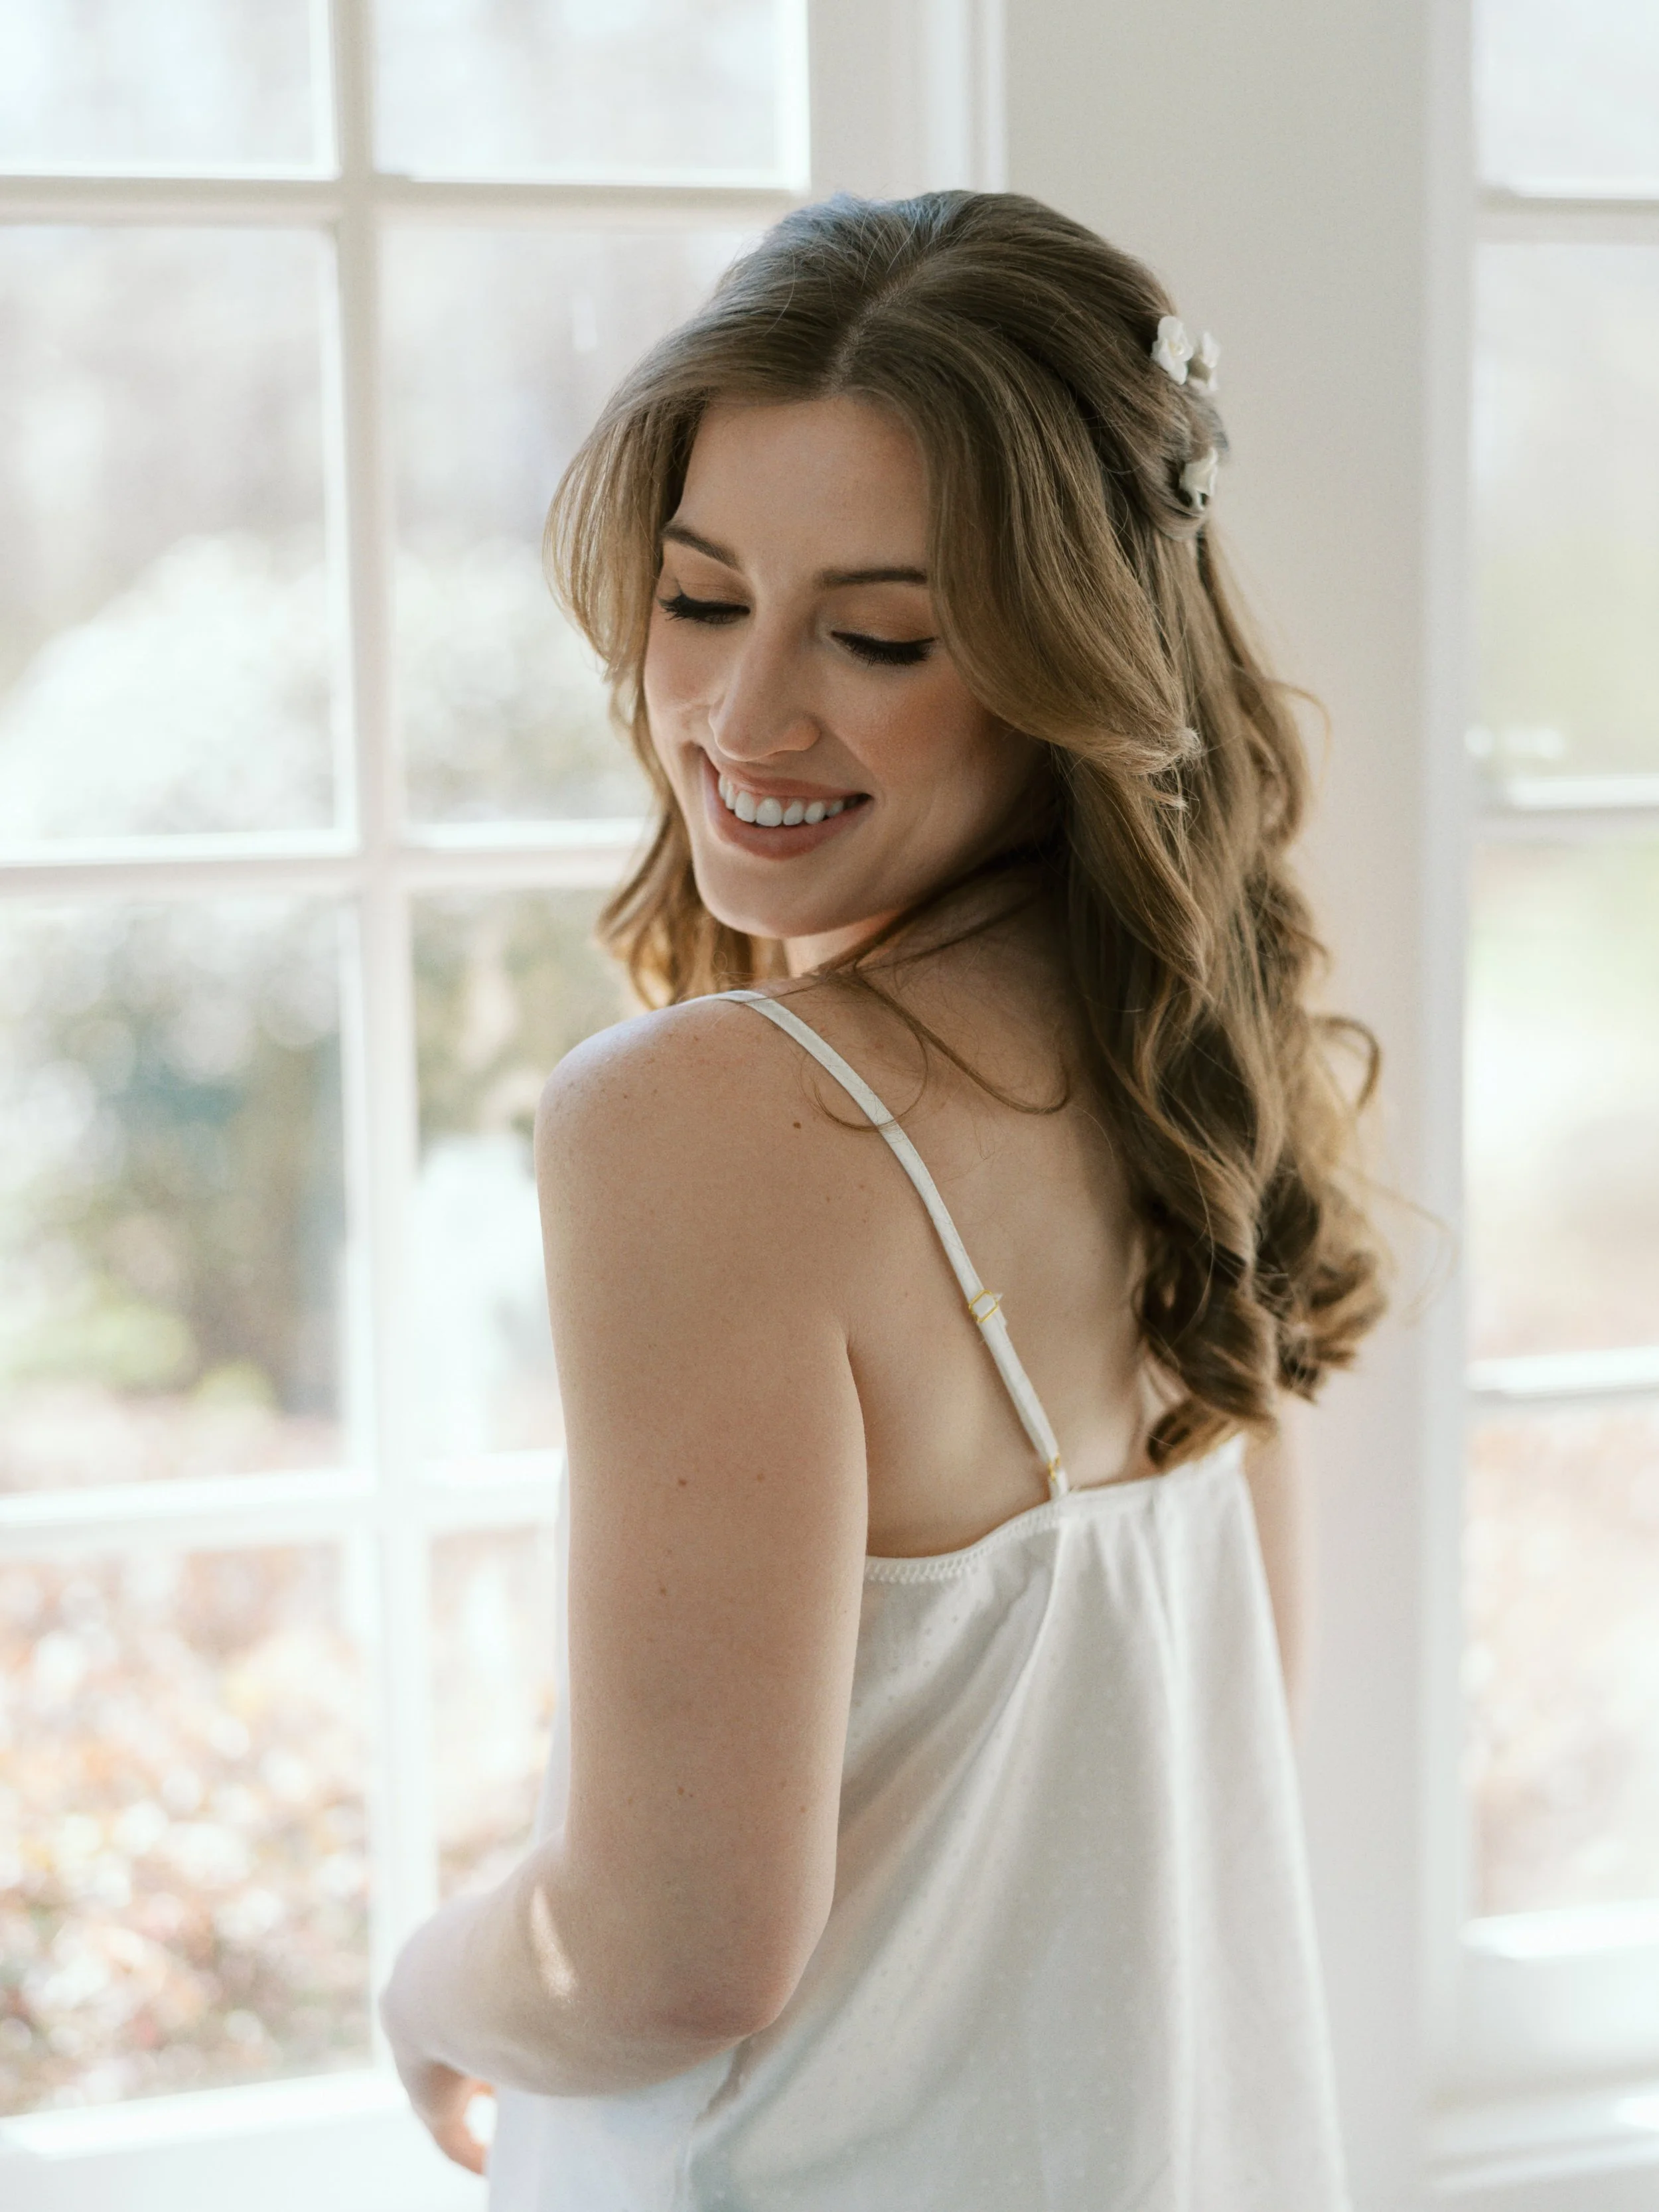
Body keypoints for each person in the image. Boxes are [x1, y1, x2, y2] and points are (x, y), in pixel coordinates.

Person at [380, 189, 1385, 2211]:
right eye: (699, 598)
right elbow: (1218, 1742)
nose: (743, 717)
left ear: (1068, 662)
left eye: (879, 635)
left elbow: (667, 1954)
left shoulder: (708, 1120)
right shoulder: (1188, 1067)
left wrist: (429, 1976)